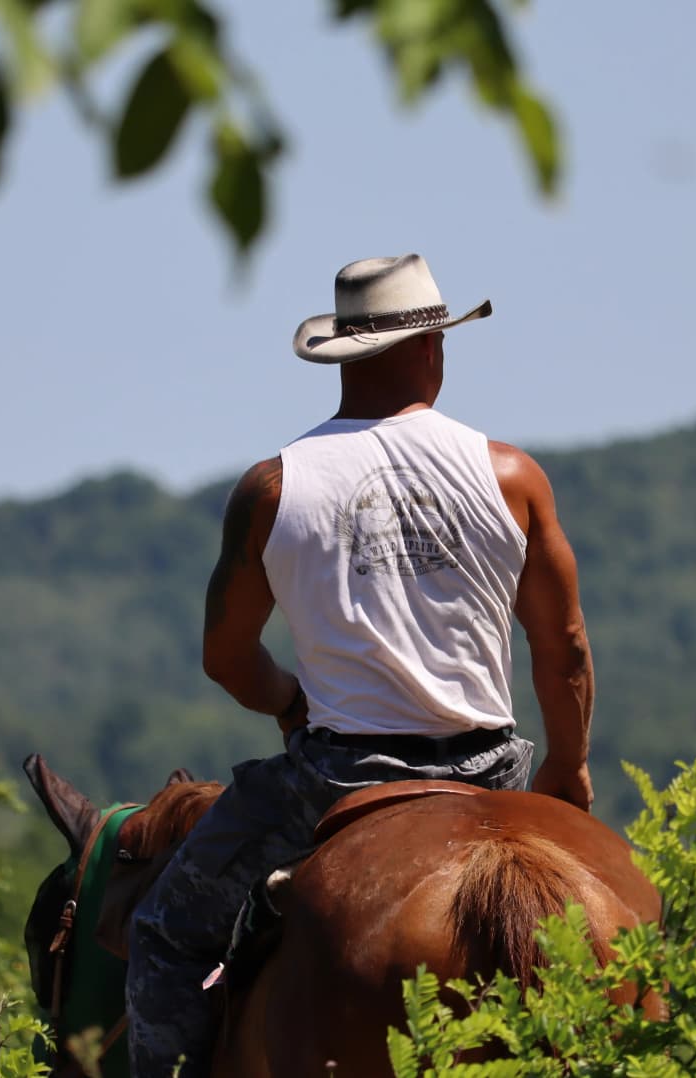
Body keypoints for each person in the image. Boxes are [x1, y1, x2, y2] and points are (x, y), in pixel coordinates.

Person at [125, 254, 596, 1077]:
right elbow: (565, 650)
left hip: (336, 777)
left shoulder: (273, 489)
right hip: (490, 767)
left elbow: (225, 657)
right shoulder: (512, 477)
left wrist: (286, 702)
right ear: (429, 350)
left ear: (344, 355)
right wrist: (568, 765)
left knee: (167, 931)